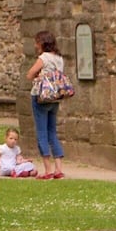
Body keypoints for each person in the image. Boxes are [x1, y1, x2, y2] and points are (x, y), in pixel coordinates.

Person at [25, 31, 67, 179]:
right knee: (52, 132)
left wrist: (37, 76)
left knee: (42, 133)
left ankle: (48, 169)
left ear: (42, 43)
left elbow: (30, 74)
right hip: (54, 97)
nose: (36, 45)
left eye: (37, 42)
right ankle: (58, 168)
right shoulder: (59, 58)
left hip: (40, 96)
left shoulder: (44, 58)